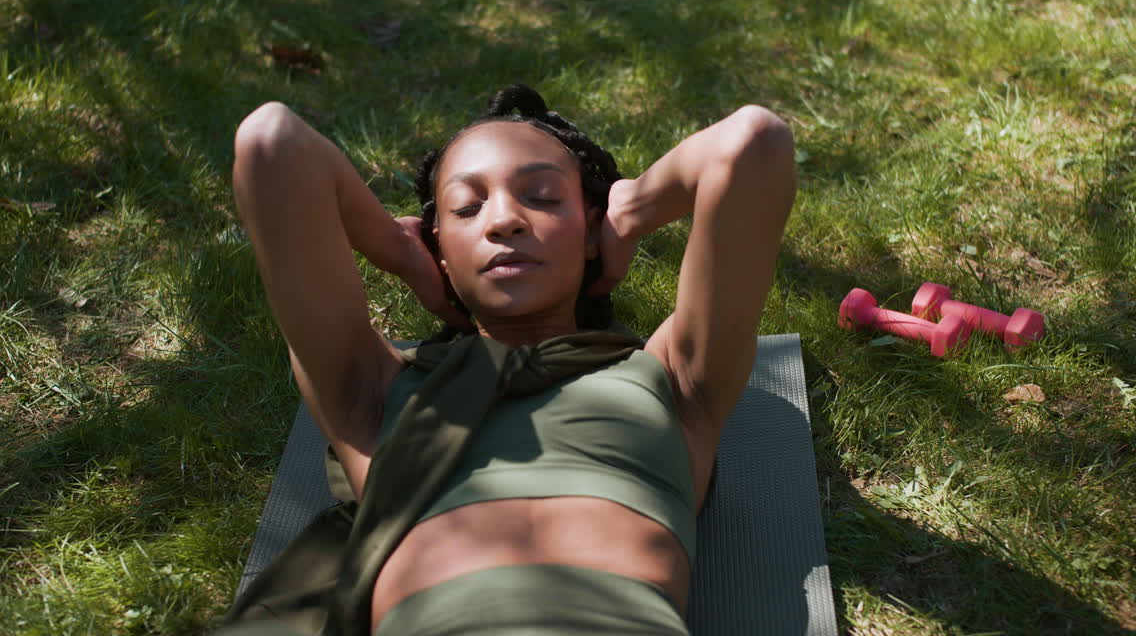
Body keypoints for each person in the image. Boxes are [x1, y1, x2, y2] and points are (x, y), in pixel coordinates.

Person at [227, 84, 797, 635]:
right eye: (467, 208)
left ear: (590, 229)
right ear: (440, 252)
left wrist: (630, 206)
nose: (503, 220)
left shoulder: (676, 378)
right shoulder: (369, 391)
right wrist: (400, 250)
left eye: (543, 197)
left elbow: (752, 143)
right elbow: (272, 144)